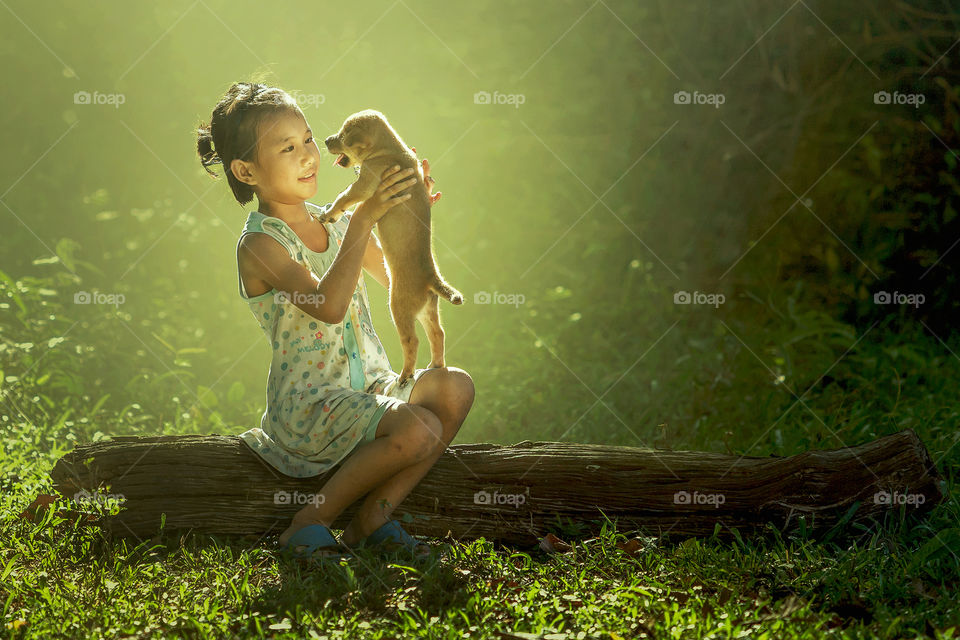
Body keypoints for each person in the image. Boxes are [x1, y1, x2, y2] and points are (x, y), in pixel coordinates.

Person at [195, 81, 475, 559]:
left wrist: (409, 212)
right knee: (415, 428)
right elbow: (328, 306)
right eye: (288, 147)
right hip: (313, 406)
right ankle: (310, 521)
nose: (308, 155)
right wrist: (365, 218)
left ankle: (373, 518)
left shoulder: (340, 219)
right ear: (245, 169)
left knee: (454, 387)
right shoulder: (262, 245)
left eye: (307, 139)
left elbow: (399, 281)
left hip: (370, 387)